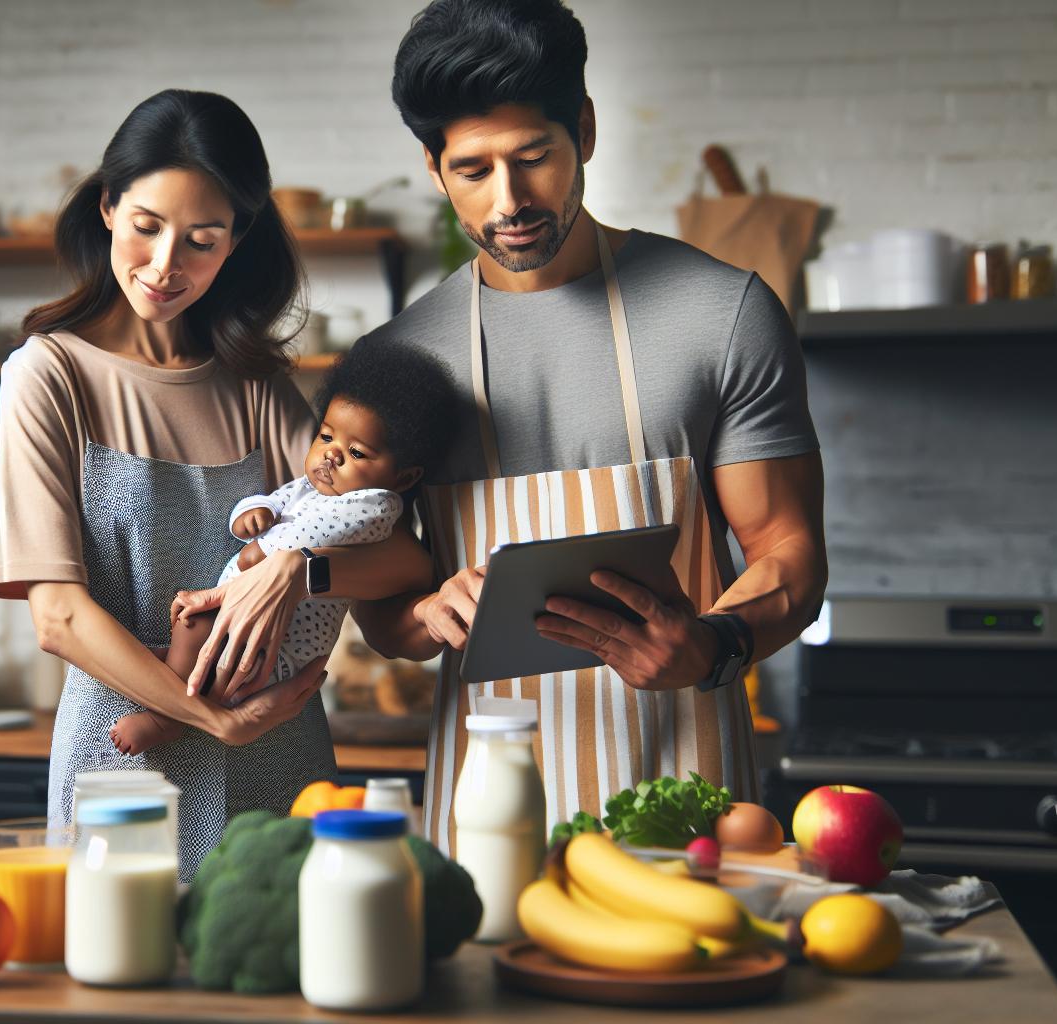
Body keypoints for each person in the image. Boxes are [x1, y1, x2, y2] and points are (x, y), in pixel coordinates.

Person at [197, 0, 829, 854]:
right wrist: (431, 610)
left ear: (587, 131)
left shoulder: (721, 313)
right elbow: (388, 613)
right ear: (432, 164)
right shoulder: (402, 362)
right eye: (474, 170)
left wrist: (713, 646)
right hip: (484, 818)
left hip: (693, 811)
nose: (511, 201)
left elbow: (788, 549)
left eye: (535, 158)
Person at [0, 89, 431, 877]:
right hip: (122, 772)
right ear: (110, 208)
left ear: (236, 242)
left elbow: (405, 556)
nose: (163, 266)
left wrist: (299, 568)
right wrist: (209, 718)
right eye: (147, 226)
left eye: (201, 240)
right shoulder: (46, 376)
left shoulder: (256, 385)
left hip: (284, 768)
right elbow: (56, 616)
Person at [110, 344, 462, 757]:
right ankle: (179, 670)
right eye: (326, 436)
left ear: (403, 477)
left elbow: (312, 534)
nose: (331, 454)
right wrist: (251, 512)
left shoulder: (374, 505)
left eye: (355, 453)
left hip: (286, 640)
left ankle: (167, 717)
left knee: (199, 628)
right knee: (194, 626)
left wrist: (264, 551)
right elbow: (274, 502)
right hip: (247, 613)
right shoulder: (309, 487)